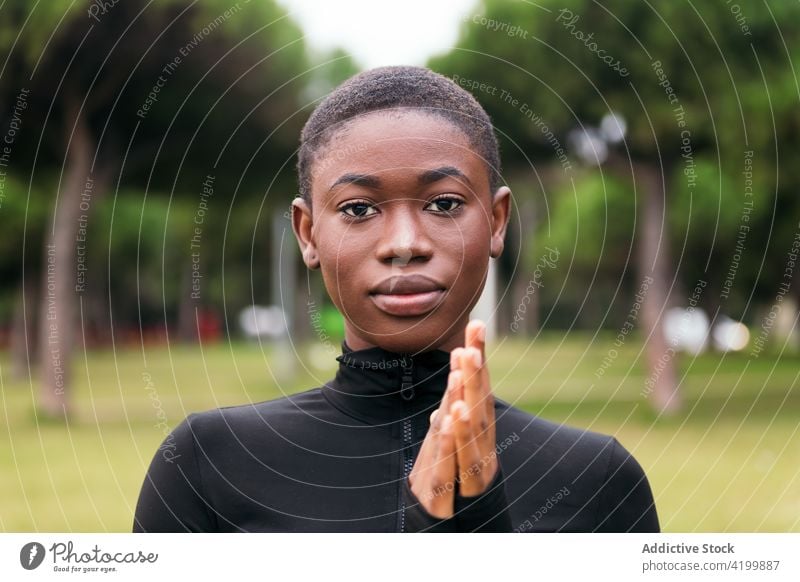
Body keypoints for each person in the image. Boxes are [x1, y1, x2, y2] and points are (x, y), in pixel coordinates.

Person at [132, 65, 660, 532]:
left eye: (445, 203)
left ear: (497, 222)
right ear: (308, 234)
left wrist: (474, 525)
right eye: (359, 209)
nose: (405, 245)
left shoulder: (596, 481)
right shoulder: (210, 463)